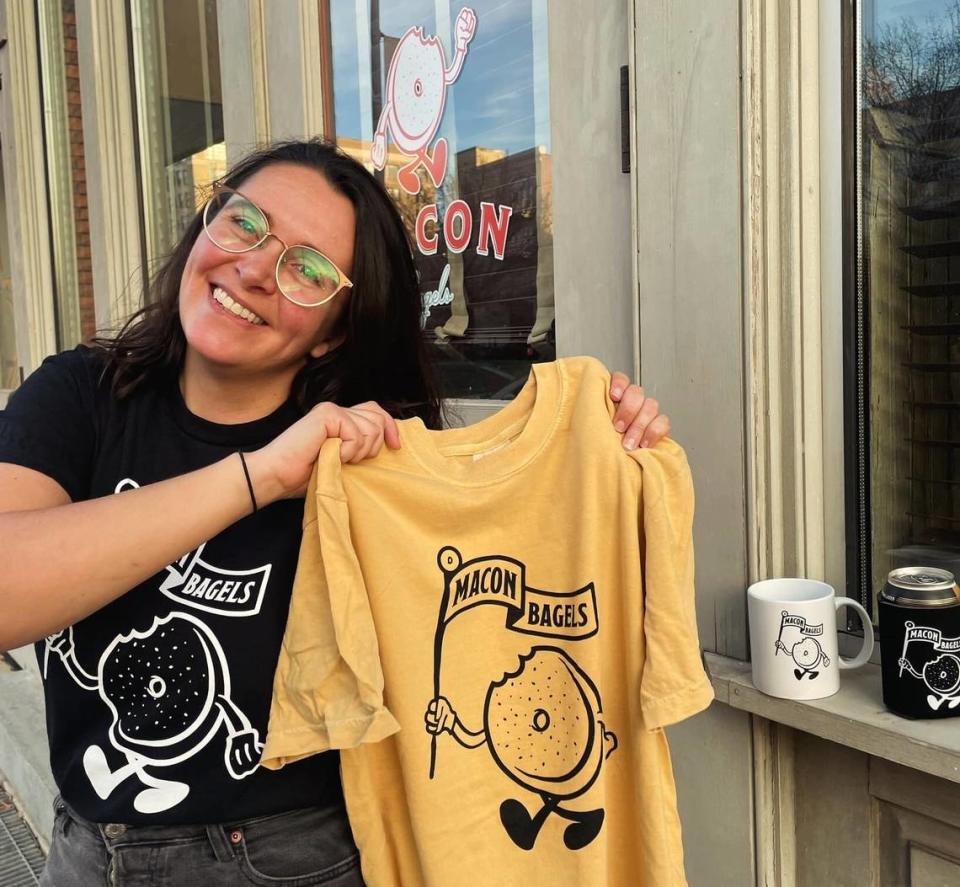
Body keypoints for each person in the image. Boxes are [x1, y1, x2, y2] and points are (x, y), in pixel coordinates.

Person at [0, 139, 671, 886]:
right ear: (206, 223)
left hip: (292, 859)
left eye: (308, 270)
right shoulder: (84, 394)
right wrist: (257, 476)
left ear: (338, 329)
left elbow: (501, 596)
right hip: (86, 847)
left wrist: (602, 453)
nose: (254, 269)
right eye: (244, 222)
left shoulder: (368, 459)